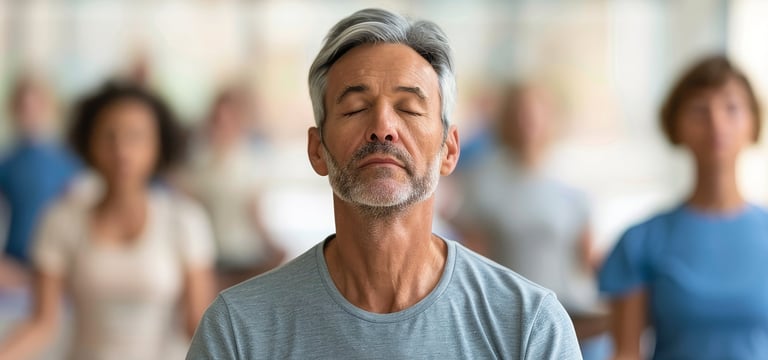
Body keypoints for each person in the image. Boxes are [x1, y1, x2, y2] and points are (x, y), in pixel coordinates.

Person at [188, 8, 580, 359]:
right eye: (356, 109)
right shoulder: (239, 331)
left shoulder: (528, 327)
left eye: (409, 108)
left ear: (449, 150)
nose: (382, 128)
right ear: (317, 149)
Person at [0, 81, 216, 360]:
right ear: (89, 143)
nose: (121, 150)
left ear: (157, 145)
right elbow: (42, 322)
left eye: (135, 136)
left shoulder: (185, 220)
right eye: (109, 136)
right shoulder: (61, 219)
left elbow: (197, 324)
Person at [598, 55, 768, 359]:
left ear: (754, 124)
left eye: (731, 108)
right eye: (700, 110)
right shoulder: (641, 241)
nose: (717, 123)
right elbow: (625, 352)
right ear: (675, 125)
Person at [451, 83, 609, 359]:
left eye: (536, 113)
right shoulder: (482, 181)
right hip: (508, 319)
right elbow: (470, 261)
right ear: (507, 119)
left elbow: (589, 259)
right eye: (521, 113)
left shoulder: (569, 184)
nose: (529, 121)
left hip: (571, 315)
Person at [185, 86, 285, 289]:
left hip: (244, 254)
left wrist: (272, 246)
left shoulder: (251, 161)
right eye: (218, 119)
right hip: (210, 254)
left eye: (228, 119)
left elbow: (254, 210)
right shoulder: (200, 159)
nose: (223, 125)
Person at [0, 74, 81, 267]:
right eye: (24, 107)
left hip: (56, 264)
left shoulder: (68, 164)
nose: (30, 113)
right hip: (13, 265)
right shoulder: (6, 164)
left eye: (36, 106)